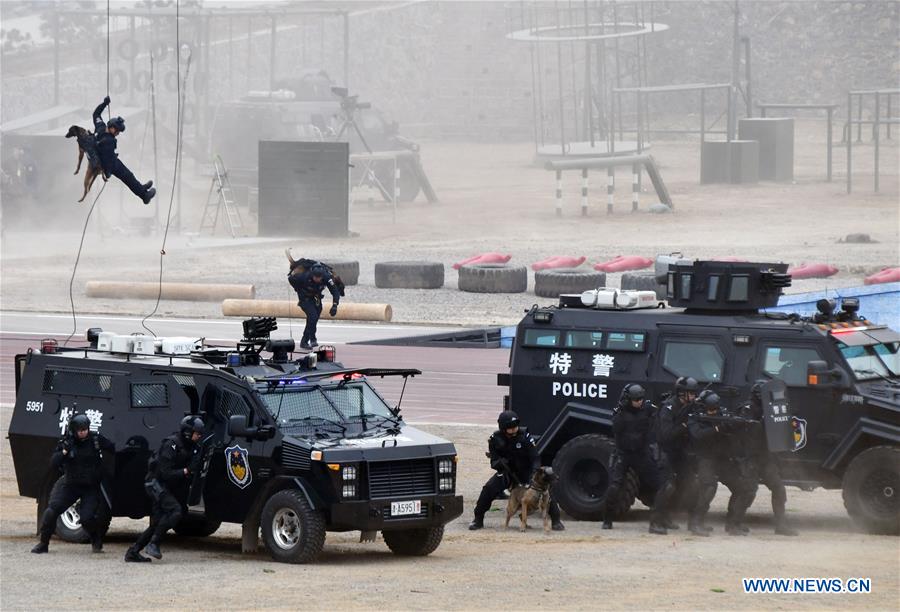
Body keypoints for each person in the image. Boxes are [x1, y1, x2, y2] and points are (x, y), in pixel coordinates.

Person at [125, 416, 205, 562]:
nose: (199, 436)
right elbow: (165, 473)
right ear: (188, 432)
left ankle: (133, 552)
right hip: (156, 483)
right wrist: (186, 471)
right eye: (197, 433)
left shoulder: (193, 448)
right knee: (175, 511)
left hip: (167, 486)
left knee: (157, 522)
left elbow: (193, 467)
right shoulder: (171, 444)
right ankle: (154, 544)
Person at [468, 410, 564, 531]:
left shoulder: (525, 436)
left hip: (527, 471)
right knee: (489, 488)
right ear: (503, 428)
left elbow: (535, 457)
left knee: (544, 489)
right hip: (508, 472)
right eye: (510, 428)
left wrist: (535, 473)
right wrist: (500, 463)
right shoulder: (495, 439)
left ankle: (556, 520)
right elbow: (493, 462)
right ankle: (478, 519)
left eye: (515, 426)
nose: (514, 429)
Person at [32, 414, 114, 554]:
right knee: (51, 511)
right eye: (80, 430)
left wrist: (102, 469)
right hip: (71, 485)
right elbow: (54, 463)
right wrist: (64, 451)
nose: (83, 432)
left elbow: (111, 448)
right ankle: (43, 543)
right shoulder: (67, 443)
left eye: (85, 429)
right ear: (74, 430)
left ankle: (96, 539)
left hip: (90, 487)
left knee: (87, 518)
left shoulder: (95, 439)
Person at [601, 384, 673, 534]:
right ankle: (607, 518)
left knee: (661, 485)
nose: (639, 402)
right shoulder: (620, 413)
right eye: (636, 400)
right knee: (615, 486)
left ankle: (662, 518)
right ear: (628, 400)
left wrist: (664, 403)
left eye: (641, 399)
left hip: (641, 453)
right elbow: (616, 428)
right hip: (624, 454)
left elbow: (659, 414)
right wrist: (621, 411)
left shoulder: (646, 408)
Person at [687, 392, 757, 536]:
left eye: (714, 409)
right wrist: (718, 428)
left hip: (723, 459)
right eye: (710, 409)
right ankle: (696, 523)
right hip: (705, 458)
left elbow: (734, 431)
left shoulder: (723, 415)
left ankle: (733, 523)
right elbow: (698, 435)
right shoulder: (695, 417)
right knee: (709, 488)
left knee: (743, 487)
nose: (712, 412)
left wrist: (735, 426)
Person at [736, 380, 798, 536]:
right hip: (751, 457)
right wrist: (761, 422)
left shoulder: (769, 409)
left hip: (766, 457)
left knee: (779, 488)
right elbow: (746, 433)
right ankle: (734, 524)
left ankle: (781, 525)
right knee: (748, 491)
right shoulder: (748, 409)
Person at [92, 96, 156, 204]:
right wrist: (108, 171)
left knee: (129, 176)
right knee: (128, 177)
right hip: (110, 163)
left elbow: (96, 114)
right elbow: (107, 160)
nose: (117, 134)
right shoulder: (109, 141)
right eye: (117, 131)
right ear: (112, 128)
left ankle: (141, 188)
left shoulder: (100, 127)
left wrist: (104, 104)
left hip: (110, 160)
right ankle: (144, 195)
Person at [656, 376, 700, 527]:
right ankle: (656, 522)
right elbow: (666, 434)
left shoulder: (690, 406)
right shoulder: (668, 408)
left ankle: (693, 522)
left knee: (692, 483)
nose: (693, 396)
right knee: (667, 486)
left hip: (680, 451)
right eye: (691, 393)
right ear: (682, 393)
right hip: (666, 450)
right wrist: (685, 425)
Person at [287, 262, 341, 349]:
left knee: (313, 319)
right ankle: (311, 339)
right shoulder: (304, 277)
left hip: (316, 298)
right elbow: (290, 278)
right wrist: (297, 289)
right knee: (313, 317)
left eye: (319, 277)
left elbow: (335, 291)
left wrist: (335, 305)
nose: (318, 279)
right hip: (305, 299)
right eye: (316, 277)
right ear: (312, 275)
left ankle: (306, 340)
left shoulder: (326, 277)